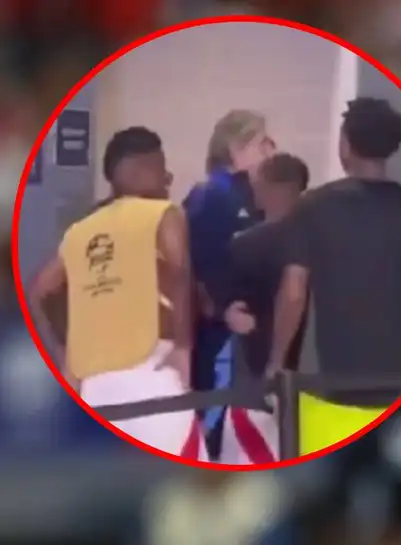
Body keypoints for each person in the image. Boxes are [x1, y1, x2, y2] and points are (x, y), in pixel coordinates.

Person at [267, 97, 401, 448]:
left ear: (346, 144)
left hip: (333, 387)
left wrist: (277, 362)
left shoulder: (313, 207)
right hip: (395, 390)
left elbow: (294, 291)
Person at [27, 126, 205, 460]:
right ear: (138, 169)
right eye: (160, 167)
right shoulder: (161, 213)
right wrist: (184, 345)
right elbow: (181, 270)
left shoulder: (79, 231)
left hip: (92, 385)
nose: (166, 177)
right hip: (151, 369)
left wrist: (64, 351)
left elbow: (39, 290)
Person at [184, 109, 275, 459]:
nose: (270, 152)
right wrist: (224, 309)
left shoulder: (256, 201)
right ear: (236, 149)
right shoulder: (210, 195)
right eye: (261, 143)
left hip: (251, 341)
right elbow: (193, 265)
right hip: (220, 338)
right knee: (215, 424)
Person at [218, 153, 310, 465]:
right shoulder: (328, 244)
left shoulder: (245, 244)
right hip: (318, 382)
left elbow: (231, 308)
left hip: (257, 378)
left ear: (271, 190)